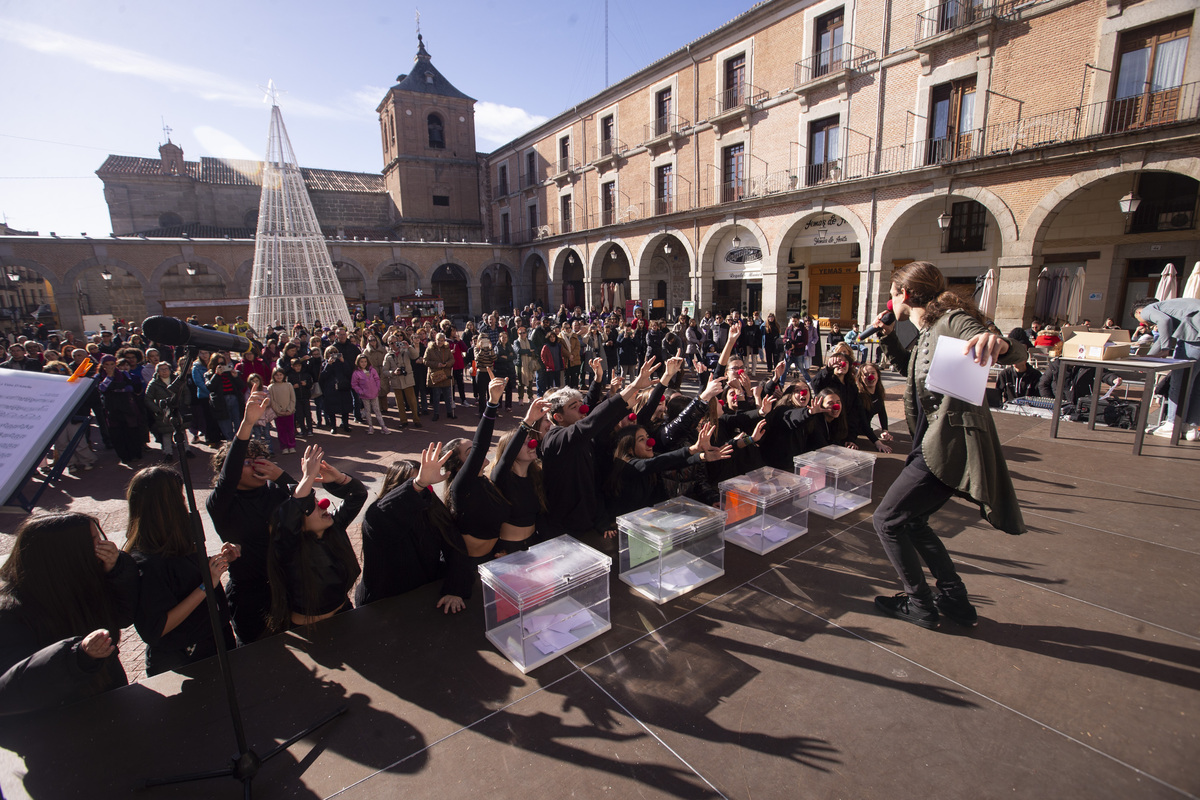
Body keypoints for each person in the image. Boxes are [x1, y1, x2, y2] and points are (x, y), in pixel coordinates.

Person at [871, 261, 1026, 630]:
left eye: (892, 294)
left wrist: (999, 343)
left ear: (904, 295)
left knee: (887, 521)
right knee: (913, 521)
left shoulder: (952, 321)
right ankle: (954, 598)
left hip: (945, 447)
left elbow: (1011, 350)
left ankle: (920, 603)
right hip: (930, 443)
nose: (890, 301)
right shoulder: (927, 331)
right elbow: (914, 369)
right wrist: (889, 335)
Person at [0, 513, 138, 715]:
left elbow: (123, 616)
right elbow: (13, 688)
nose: (104, 545)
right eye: (94, 540)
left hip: (106, 702)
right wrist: (76, 657)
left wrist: (116, 572)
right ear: (67, 554)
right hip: (55, 726)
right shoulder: (10, 614)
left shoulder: (79, 579)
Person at [124, 467, 239, 676]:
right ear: (167, 506)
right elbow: (157, 628)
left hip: (212, 644)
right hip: (186, 660)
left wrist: (217, 561)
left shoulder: (176, 540)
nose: (185, 503)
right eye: (181, 498)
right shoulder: (145, 563)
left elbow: (185, 575)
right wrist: (206, 585)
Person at [206, 391, 298, 644]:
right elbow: (229, 475)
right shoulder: (222, 503)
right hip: (249, 593)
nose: (256, 464)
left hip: (287, 584)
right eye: (247, 462)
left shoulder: (273, 491)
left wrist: (281, 477)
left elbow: (305, 503)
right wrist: (247, 424)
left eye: (257, 458)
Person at [540, 357, 660, 538]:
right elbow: (593, 421)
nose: (582, 410)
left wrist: (601, 520)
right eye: (574, 407)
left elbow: (594, 484)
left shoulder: (586, 440)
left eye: (581, 405)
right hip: (562, 530)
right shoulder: (555, 439)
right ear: (558, 417)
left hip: (586, 523)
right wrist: (633, 386)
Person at [266, 445, 367, 631]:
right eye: (312, 506)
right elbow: (287, 519)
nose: (323, 505)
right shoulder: (289, 547)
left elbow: (357, 496)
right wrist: (307, 478)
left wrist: (339, 478)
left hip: (344, 614)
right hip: (308, 629)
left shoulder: (333, 528)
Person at [355, 443, 464, 607]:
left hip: (423, 595)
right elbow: (382, 514)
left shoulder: (433, 508)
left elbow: (454, 546)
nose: (421, 486)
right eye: (413, 482)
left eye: (424, 481)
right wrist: (418, 484)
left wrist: (455, 589)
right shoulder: (377, 515)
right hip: (384, 603)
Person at [1133, 298, 1200, 441]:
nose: (1143, 322)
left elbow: (1163, 321)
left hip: (1194, 332)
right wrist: (1149, 358)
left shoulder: (1148, 309)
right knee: (1196, 383)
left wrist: (1165, 349)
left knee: (1179, 381)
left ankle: (1172, 425)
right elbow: (1163, 332)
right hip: (1196, 329)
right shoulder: (1171, 306)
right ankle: (1191, 428)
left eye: (1138, 318)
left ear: (1139, 312)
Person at [351, 355, 390, 435]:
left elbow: (377, 379)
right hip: (365, 395)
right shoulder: (356, 373)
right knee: (367, 411)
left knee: (377, 410)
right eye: (361, 362)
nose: (363, 363)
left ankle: (383, 426)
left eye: (365, 361)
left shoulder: (372, 370)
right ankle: (370, 426)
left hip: (374, 394)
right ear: (358, 362)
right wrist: (360, 391)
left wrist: (377, 388)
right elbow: (354, 384)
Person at [319, 346, 354, 434]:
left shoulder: (342, 362)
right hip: (331, 389)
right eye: (330, 353)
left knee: (345, 408)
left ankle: (345, 425)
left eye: (334, 352)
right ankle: (333, 427)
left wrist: (343, 362)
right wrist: (329, 365)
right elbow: (322, 377)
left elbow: (349, 373)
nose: (333, 354)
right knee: (331, 409)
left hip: (343, 387)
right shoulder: (324, 363)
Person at [269, 367, 298, 453]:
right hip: (278, 414)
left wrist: (290, 409)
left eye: (280, 375)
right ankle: (284, 447)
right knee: (281, 431)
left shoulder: (289, 385)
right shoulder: (271, 387)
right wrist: (279, 411)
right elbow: (272, 401)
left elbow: (293, 398)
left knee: (290, 430)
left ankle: (291, 445)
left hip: (289, 412)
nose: (279, 377)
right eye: (276, 375)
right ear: (273, 376)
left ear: (284, 375)